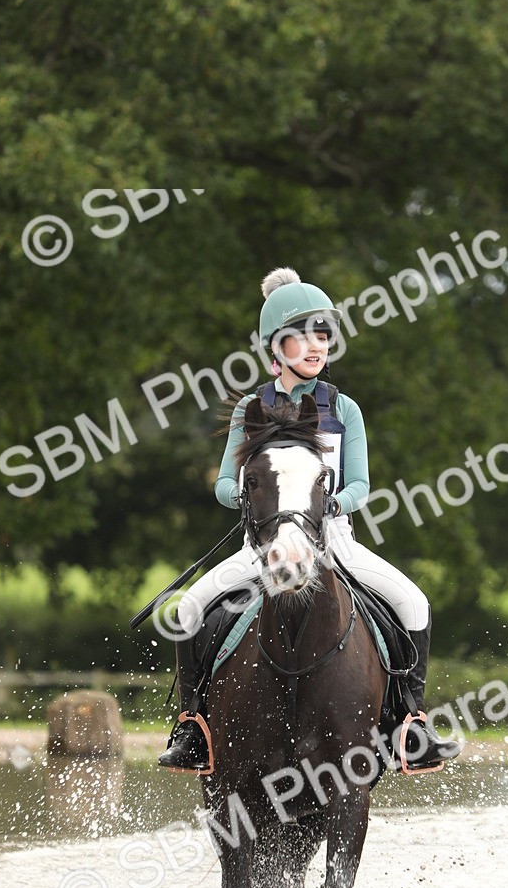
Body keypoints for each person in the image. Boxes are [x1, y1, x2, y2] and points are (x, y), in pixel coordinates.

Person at [159, 267, 458, 772]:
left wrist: (333, 504)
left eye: (323, 335)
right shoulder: (251, 408)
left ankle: (411, 723)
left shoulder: (344, 408)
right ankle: (193, 727)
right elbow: (224, 483)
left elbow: (360, 484)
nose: (317, 346)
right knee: (188, 609)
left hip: (332, 541)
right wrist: (248, 498)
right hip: (264, 545)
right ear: (275, 348)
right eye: (302, 336)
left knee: (414, 603)